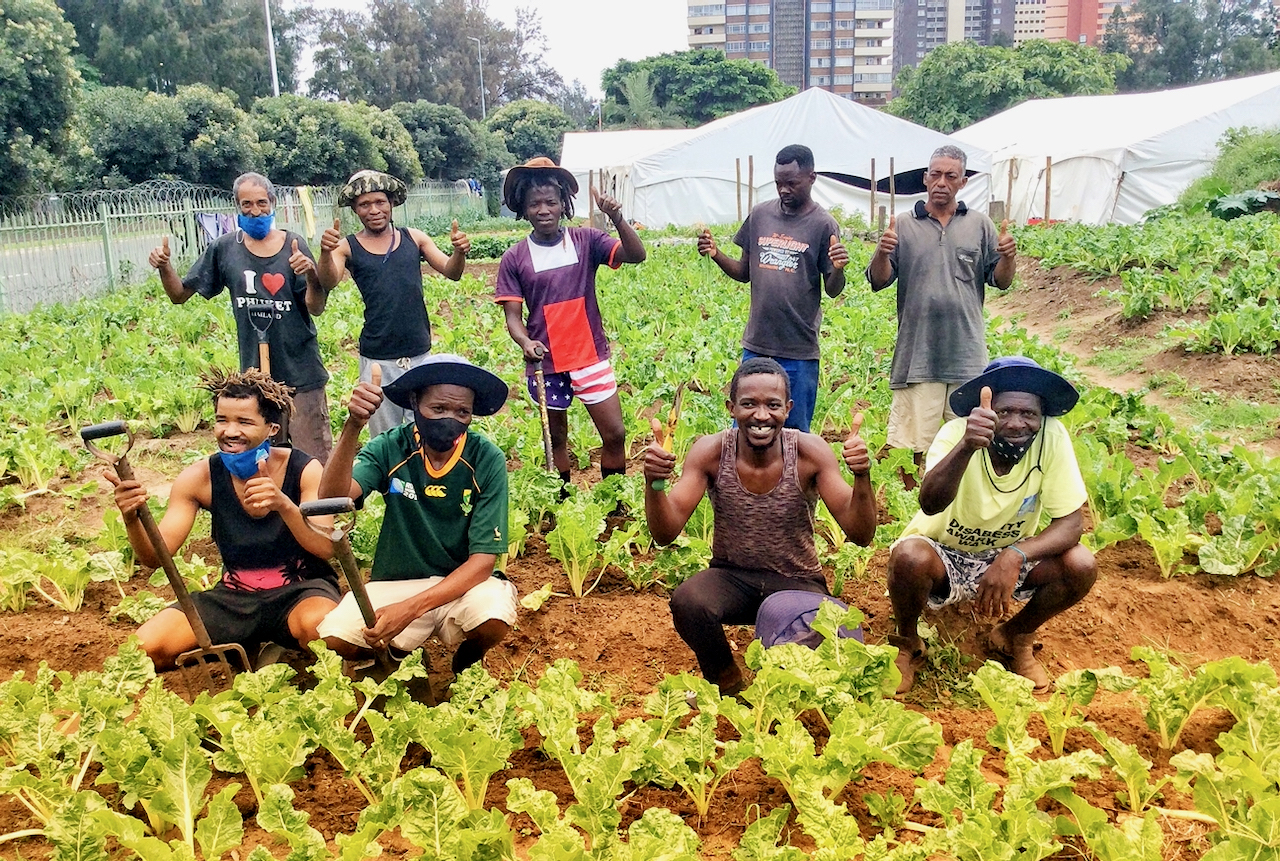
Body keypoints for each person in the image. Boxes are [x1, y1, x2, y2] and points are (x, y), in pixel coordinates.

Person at [643, 357, 876, 695]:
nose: (761, 416)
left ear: (788, 408)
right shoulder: (710, 452)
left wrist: (862, 476)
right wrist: (655, 483)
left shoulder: (809, 452)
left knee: (792, 670)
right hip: (733, 578)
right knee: (689, 601)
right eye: (749, 404)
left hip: (797, 583)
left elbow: (862, 533)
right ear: (731, 407)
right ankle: (727, 683)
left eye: (773, 405)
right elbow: (665, 533)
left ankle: (773, 686)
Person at [886, 357, 1096, 695]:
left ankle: (1015, 637)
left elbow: (1071, 524)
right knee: (909, 557)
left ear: (1041, 416)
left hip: (1009, 551)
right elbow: (930, 502)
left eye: (1029, 414)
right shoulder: (956, 433)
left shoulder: (1053, 437)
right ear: (985, 410)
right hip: (945, 553)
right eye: (1004, 411)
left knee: (1081, 565)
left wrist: (1014, 555)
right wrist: (967, 446)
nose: (1016, 424)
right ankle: (907, 643)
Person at [106, 369, 339, 670]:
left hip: (301, 591)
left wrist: (283, 504)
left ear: (271, 428)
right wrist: (131, 518)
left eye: (244, 422)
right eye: (221, 420)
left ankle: (271, 643)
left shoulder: (304, 470)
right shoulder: (199, 478)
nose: (230, 431)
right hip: (233, 598)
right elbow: (155, 556)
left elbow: (325, 547)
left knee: (326, 633)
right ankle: (248, 641)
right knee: (143, 651)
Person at [316, 353, 516, 676]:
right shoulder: (391, 447)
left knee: (493, 614)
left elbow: (483, 563)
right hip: (399, 582)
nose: (450, 418)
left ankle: (466, 660)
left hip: (462, 584)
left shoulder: (485, 458)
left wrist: (409, 610)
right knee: (335, 636)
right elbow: (331, 498)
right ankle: (399, 655)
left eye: (462, 411)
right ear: (414, 402)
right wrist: (353, 426)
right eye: (438, 409)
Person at [148, 172, 333, 463]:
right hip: (255, 381)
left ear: (272, 203)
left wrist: (310, 273)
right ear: (236, 206)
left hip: (301, 372)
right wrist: (164, 267)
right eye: (246, 204)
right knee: (266, 460)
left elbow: (316, 306)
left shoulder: (293, 245)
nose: (254, 211)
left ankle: (317, 509)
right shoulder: (224, 249)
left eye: (261, 203)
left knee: (312, 457)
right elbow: (179, 295)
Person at [866, 145, 1017, 483]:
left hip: (966, 354)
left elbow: (1001, 281)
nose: (941, 182)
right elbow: (879, 280)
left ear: (962, 182)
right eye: (935, 174)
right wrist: (882, 251)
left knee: (966, 439)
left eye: (951, 176)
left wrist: (1008, 257)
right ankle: (913, 504)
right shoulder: (904, 225)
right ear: (925, 178)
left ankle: (955, 501)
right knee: (915, 443)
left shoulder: (979, 225)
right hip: (918, 353)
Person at [495, 157, 646, 486]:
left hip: (589, 355)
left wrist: (617, 218)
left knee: (615, 433)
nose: (544, 210)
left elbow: (636, 255)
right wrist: (525, 342)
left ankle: (613, 500)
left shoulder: (586, 240)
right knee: (556, 441)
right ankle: (562, 502)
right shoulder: (515, 257)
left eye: (551, 201)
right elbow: (513, 316)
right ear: (523, 208)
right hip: (546, 361)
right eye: (535, 203)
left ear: (564, 204)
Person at [697, 144, 849, 433]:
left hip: (799, 350)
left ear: (811, 178)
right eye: (779, 183)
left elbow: (832, 289)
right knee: (745, 430)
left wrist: (838, 268)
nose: (784, 190)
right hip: (757, 345)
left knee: (795, 433)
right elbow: (744, 273)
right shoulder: (760, 215)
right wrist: (716, 254)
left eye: (792, 183)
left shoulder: (823, 224)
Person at [316, 170, 472, 436]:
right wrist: (325, 252)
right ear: (355, 210)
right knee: (384, 436)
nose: (374, 210)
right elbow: (329, 281)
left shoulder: (414, 237)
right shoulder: (347, 247)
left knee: (424, 431)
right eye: (365, 204)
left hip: (419, 353)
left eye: (380, 202)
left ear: (391, 204)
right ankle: (388, 479)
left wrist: (459, 252)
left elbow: (452, 271)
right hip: (378, 358)